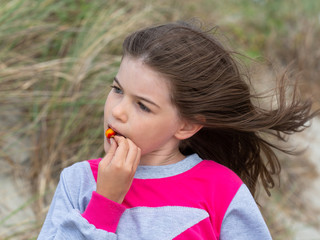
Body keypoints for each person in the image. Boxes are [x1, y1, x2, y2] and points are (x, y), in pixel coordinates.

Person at [38, 20, 318, 239]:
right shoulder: (79, 182)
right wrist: (105, 204)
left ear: (187, 124)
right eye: (117, 89)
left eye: (143, 106)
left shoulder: (220, 190)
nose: (117, 111)